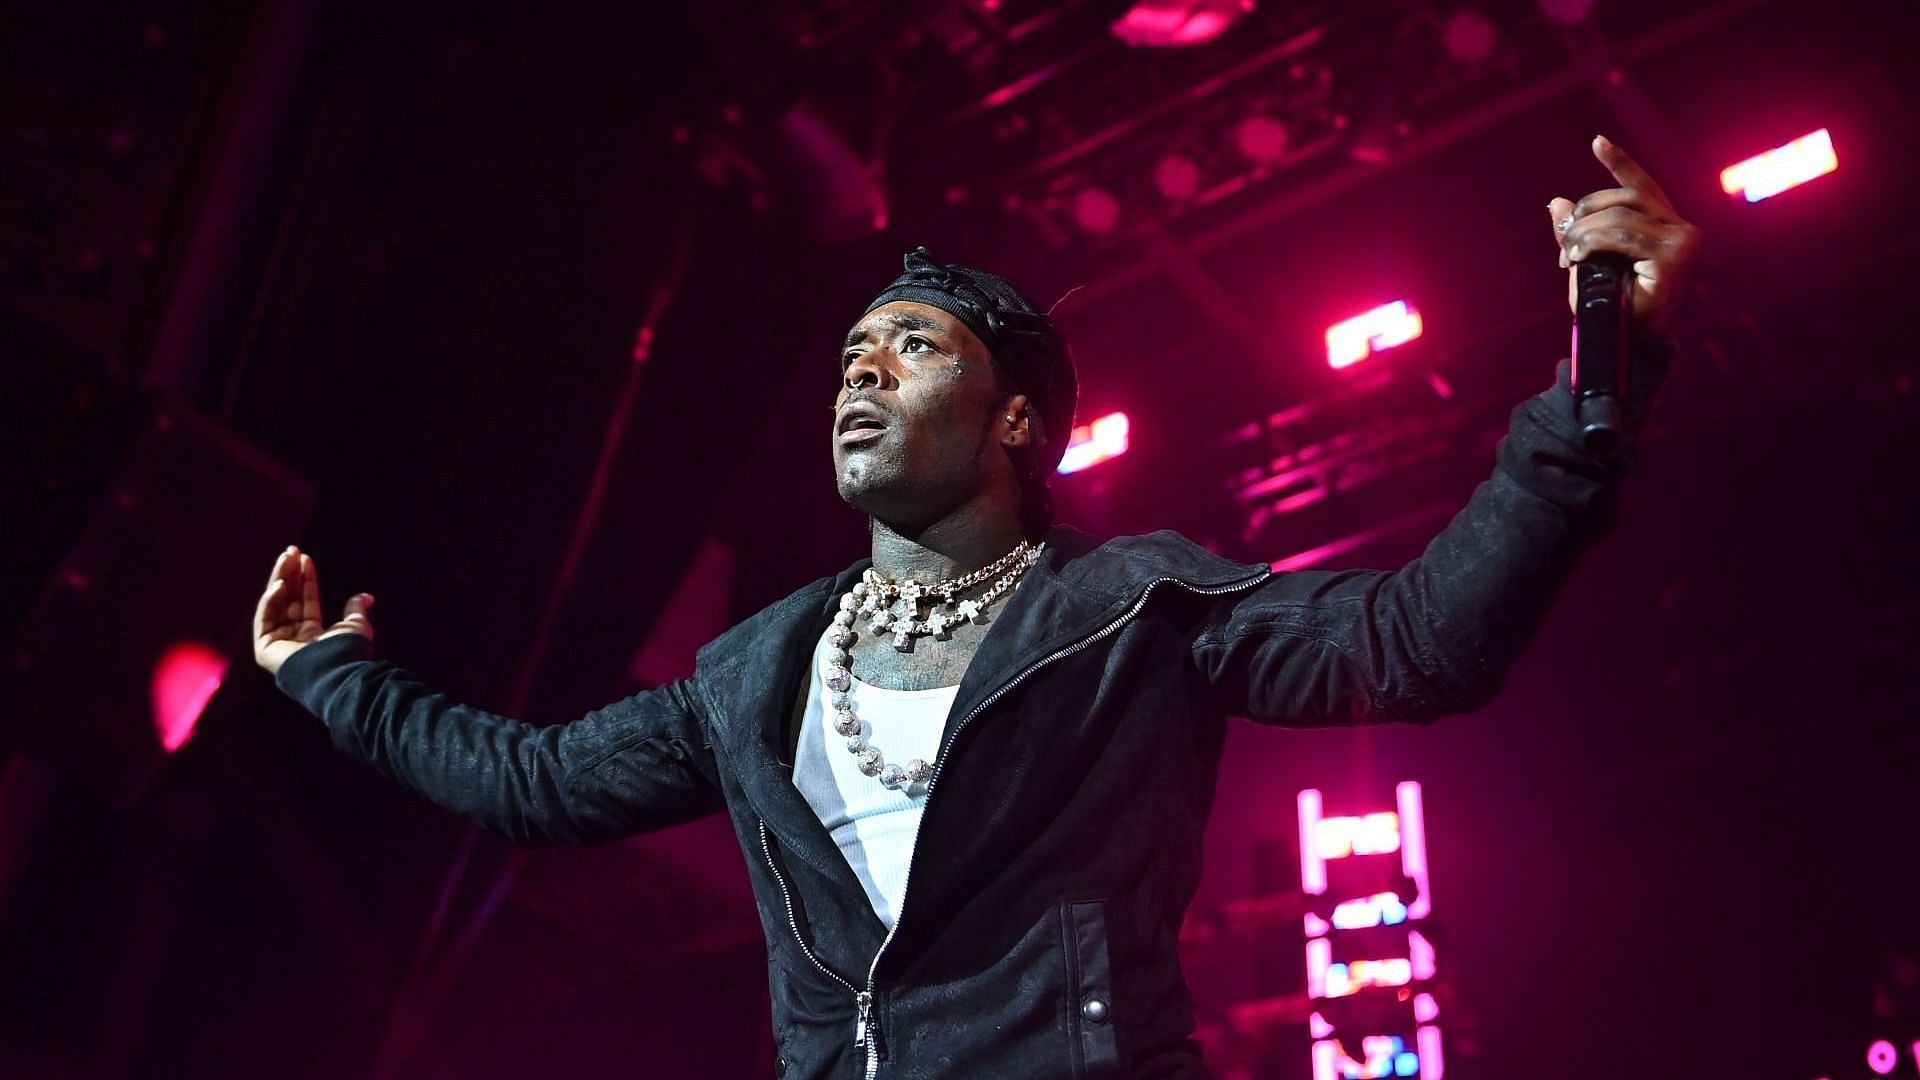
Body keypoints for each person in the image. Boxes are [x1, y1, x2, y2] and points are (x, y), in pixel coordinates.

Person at [253, 136, 1700, 1078]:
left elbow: (1419, 638)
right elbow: (533, 782)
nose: (859, 375)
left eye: (908, 348)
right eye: (848, 356)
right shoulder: (760, 668)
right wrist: (330, 676)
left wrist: (1600, 376)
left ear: (1015, 422)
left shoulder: (1140, 609)